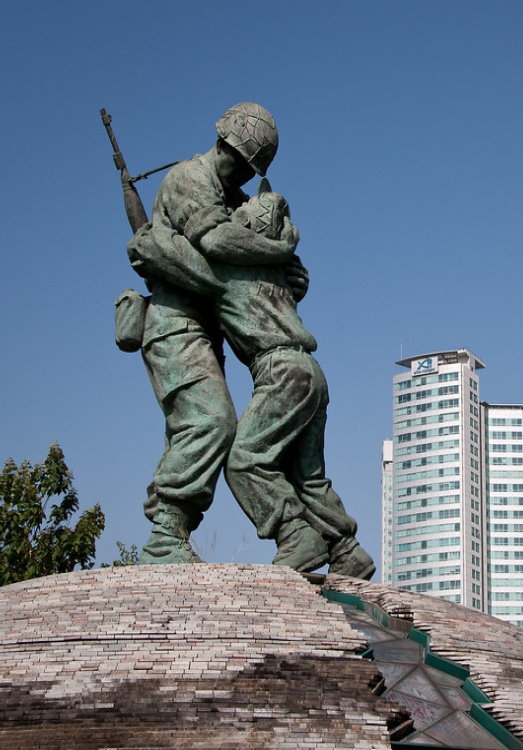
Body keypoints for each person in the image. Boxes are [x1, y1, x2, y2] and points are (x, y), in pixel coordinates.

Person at [129, 103, 374, 578]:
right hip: (176, 323)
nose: (243, 175)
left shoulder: (234, 198)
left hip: (224, 337)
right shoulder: (187, 179)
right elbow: (216, 244)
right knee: (213, 424)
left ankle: (331, 545)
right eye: (241, 163)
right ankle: (167, 534)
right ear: (226, 146)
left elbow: (283, 274)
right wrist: (277, 252)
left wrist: (282, 267)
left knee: (260, 453)